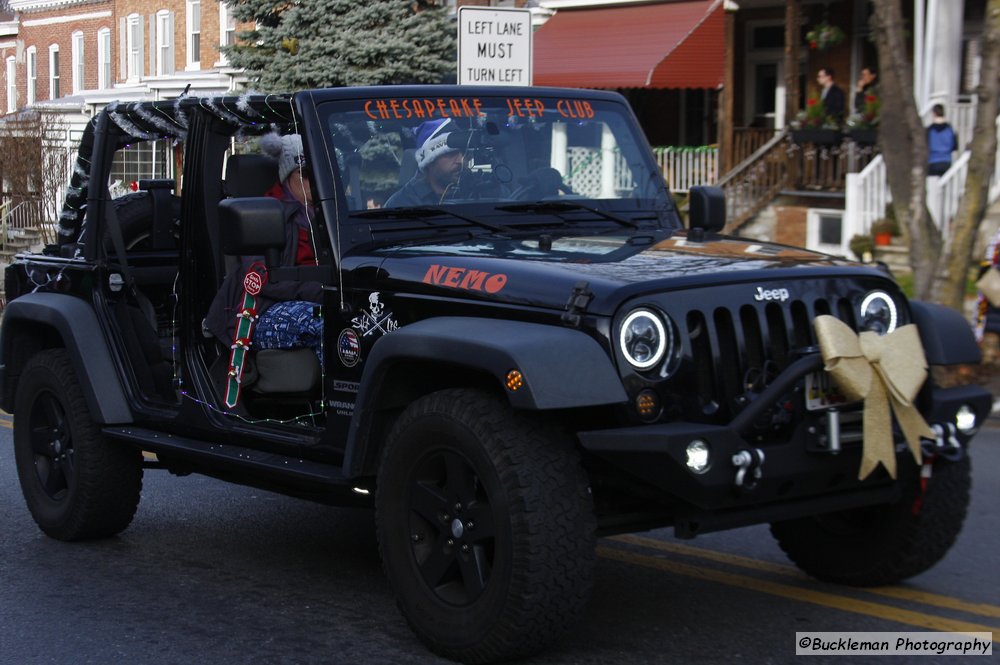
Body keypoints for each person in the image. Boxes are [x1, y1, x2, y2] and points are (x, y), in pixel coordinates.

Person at [206, 133, 324, 382]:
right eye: (304, 175)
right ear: (286, 175)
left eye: (318, 173)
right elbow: (261, 277)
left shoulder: (328, 214)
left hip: (326, 298)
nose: (313, 182)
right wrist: (320, 289)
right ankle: (342, 415)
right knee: (329, 324)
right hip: (264, 310)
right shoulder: (264, 213)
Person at [385, 118, 465, 207]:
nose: (460, 160)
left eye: (462, 153)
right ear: (429, 161)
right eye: (450, 154)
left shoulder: (474, 192)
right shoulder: (401, 203)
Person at [927, 104, 959, 176]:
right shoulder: (949, 129)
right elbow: (954, 146)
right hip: (946, 161)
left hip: (933, 161)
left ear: (934, 114)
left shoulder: (930, 130)